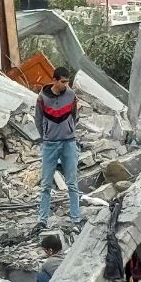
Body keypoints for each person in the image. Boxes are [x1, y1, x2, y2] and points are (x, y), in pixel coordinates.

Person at [35, 67, 81, 229]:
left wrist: (69, 130)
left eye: (67, 82)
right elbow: (38, 119)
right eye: (63, 82)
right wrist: (46, 135)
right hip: (50, 144)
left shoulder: (71, 95)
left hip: (69, 142)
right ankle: (42, 220)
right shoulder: (42, 97)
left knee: (72, 183)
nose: (65, 85)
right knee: (46, 184)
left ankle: (76, 219)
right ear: (54, 80)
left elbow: (74, 116)